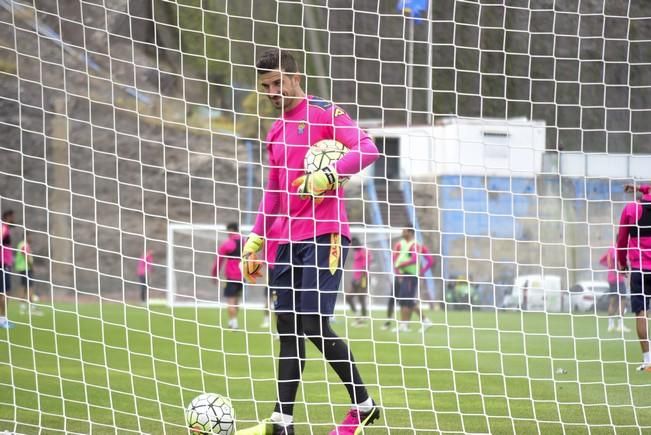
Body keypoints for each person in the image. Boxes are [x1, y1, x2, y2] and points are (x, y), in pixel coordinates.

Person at [237, 48, 380, 435]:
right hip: (283, 240)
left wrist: (328, 175)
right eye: (266, 85)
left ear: (295, 78)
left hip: (325, 233)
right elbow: (274, 190)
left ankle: (363, 405)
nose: (272, 91)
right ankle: (282, 421)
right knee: (288, 327)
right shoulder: (274, 130)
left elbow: (368, 149)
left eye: (278, 82)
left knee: (314, 321)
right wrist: (255, 238)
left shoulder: (324, 112)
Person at [616, 183, 651, 371]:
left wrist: (622, 263)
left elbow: (621, 240)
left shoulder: (631, 209)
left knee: (642, 314)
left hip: (640, 270)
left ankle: (648, 360)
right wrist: (640, 188)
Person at [390, 228, 434, 332]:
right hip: (404, 275)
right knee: (402, 300)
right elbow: (395, 258)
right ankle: (404, 325)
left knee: (408, 301)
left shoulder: (415, 245)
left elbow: (426, 260)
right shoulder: (401, 244)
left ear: (410, 232)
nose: (402, 232)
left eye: (404, 231)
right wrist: (398, 271)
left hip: (411, 276)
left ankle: (425, 321)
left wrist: (421, 271)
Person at [212, 222, 243, 330]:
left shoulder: (228, 244)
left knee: (231, 300)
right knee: (236, 300)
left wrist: (214, 275)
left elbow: (218, 261)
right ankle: (232, 321)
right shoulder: (245, 242)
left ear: (231, 230)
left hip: (231, 276)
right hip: (242, 276)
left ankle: (233, 323)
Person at [599, 246, 629, 332]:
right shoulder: (617, 249)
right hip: (618, 279)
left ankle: (610, 325)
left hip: (611, 278)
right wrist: (622, 271)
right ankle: (620, 325)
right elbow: (616, 259)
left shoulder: (610, 249)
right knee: (623, 301)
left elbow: (602, 260)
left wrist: (610, 267)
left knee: (613, 302)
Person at [346, 237, 372, 327]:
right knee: (348, 297)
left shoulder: (364, 251)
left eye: (352, 244)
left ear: (356, 243)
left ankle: (363, 318)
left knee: (362, 297)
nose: (351, 246)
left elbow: (366, 266)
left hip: (363, 278)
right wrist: (354, 279)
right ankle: (357, 316)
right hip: (355, 278)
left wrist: (360, 279)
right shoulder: (356, 252)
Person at [14, 231, 37, 314]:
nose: (31, 238)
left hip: (22, 268)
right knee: (29, 287)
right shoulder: (24, 245)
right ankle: (32, 308)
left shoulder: (20, 244)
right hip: (26, 268)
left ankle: (22, 308)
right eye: (30, 236)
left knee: (24, 287)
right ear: (26, 236)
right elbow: (26, 256)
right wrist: (32, 266)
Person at [0, 210, 15, 328]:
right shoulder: (4, 228)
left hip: (6, 264)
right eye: (13, 216)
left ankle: (3, 319)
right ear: (8, 217)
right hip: (3, 265)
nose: (14, 218)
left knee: (5, 292)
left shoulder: (5, 228)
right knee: (4, 293)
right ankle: (2, 320)